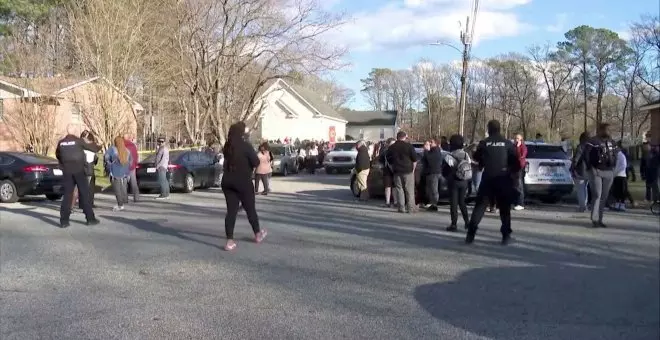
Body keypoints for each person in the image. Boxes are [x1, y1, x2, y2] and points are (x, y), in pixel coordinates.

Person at [465, 120, 521, 245]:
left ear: (489, 129)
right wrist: (512, 173)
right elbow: (516, 163)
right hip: (503, 178)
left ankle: (470, 235)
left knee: (479, 207)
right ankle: (506, 236)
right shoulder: (507, 143)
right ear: (499, 129)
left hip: (488, 178)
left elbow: (476, 157)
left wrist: (483, 162)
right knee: (504, 209)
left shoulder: (484, 143)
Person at [221, 121, 267, 251]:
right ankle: (257, 234)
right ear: (241, 133)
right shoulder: (245, 146)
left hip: (228, 182)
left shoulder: (227, 146)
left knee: (231, 211)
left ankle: (229, 241)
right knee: (250, 209)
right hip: (243, 182)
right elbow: (256, 161)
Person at [55, 125, 101, 228]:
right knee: (84, 194)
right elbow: (93, 148)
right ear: (75, 131)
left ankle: (64, 221)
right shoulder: (79, 141)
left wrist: (64, 163)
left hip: (67, 171)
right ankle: (90, 218)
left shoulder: (61, 142)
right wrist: (99, 145)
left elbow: (57, 154)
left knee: (67, 195)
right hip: (79, 170)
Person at [580, 123, 617, 228]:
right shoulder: (592, 142)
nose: (608, 132)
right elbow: (585, 155)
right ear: (600, 130)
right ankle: (595, 219)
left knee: (604, 197)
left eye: (609, 130)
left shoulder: (612, 143)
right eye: (605, 129)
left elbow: (616, 155)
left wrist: (613, 168)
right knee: (597, 195)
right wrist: (590, 168)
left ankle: (600, 219)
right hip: (596, 171)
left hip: (609, 171)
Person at [443, 134, 472, 231]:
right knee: (462, 202)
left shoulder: (449, 156)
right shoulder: (465, 154)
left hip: (454, 181)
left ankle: (454, 224)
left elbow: (445, 170)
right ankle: (467, 222)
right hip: (464, 180)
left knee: (454, 203)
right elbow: (469, 164)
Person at [386, 131, 418, 213]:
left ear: (397, 137)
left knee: (399, 189)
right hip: (408, 170)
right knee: (409, 190)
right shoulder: (409, 146)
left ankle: (401, 208)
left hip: (397, 171)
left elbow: (388, 159)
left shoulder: (392, 147)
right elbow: (415, 159)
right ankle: (410, 208)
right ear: (405, 137)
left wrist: (392, 167)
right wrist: (413, 169)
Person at [105, 136, 132, 211]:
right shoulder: (127, 150)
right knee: (123, 188)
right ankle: (123, 201)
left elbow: (106, 158)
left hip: (115, 172)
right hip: (124, 172)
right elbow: (130, 161)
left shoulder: (112, 149)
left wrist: (109, 164)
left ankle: (120, 205)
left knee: (117, 189)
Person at [571, 131, 591, 212]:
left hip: (580, 171)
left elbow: (576, 159)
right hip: (589, 171)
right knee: (585, 189)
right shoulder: (591, 147)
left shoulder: (580, 147)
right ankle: (584, 205)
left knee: (580, 190)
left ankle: (582, 207)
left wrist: (573, 168)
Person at [422, 138, 443, 211]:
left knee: (434, 189)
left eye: (432, 142)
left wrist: (426, 151)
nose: (430, 143)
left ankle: (434, 204)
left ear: (436, 144)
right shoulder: (433, 150)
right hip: (430, 173)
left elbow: (430, 160)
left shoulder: (436, 150)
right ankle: (430, 203)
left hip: (434, 173)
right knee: (430, 189)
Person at [80, 131, 99, 208]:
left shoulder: (81, 147)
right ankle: (88, 203)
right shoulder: (89, 148)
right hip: (88, 169)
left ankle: (84, 203)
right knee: (89, 187)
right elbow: (95, 160)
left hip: (83, 169)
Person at [380, 138, 398, 208]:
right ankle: (387, 202)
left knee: (394, 187)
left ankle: (395, 201)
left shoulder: (396, 151)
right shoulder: (385, 152)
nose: (393, 145)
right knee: (388, 187)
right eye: (391, 144)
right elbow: (381, 161)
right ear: (388, 144)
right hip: (387, 171)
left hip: (395, 170)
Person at [611, 146, 628, 211]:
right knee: (617, 191)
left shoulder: (621, 156)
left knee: (622, 191)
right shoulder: (615, 156)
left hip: (621, 175)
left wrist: (616, 171)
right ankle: (617, 204)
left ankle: (622, 205)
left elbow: (623, 165)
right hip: (616, 176)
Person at [513, 133, 527, 210]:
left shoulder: (523, 147)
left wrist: (518, 147)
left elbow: (521, 156)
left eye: (518, 139)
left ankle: (520, 203)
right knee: (514, 186)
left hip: (520, 168)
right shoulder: (513, 146)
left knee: (519, 185)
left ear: (521, 139)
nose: (516, 140)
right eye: (515, 138)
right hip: (513, 168)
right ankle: (515, 202)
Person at [123, 134, 140, 202]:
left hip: (124, 166)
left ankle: (125, 198)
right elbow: (136, 156)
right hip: (132, 167)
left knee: (124, 183)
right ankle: (136, 197)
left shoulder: (122, 146)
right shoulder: (133, 146)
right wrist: (135, 164)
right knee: (133, 182)